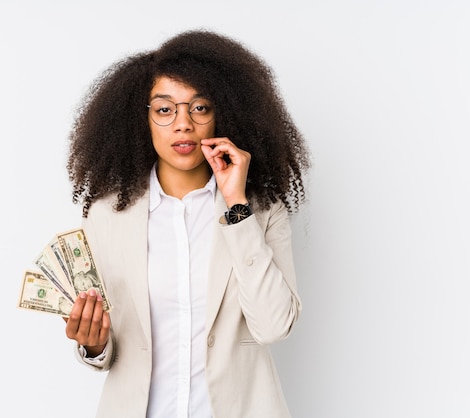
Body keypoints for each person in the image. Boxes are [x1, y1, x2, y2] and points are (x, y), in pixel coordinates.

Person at [62, 29, 310, 418]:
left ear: (222, 114)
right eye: (165, 110)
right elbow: (111, 346)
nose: (183, 124)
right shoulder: (107, 216)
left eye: (199, 108)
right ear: (140, 119)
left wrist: (236, 206)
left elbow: (273, 326)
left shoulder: (261, 211)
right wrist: (94, 345)